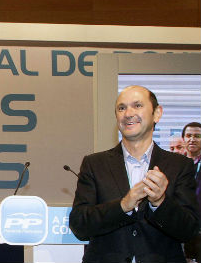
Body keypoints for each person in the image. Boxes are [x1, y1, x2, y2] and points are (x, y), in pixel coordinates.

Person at [69, 85, 199, 263]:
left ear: (157, 113)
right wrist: (123, 205)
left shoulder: (180, 165)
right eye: (121, 108)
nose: (128, 113)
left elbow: (190, 230)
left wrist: (160, 203)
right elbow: (79, 225)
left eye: (137, 105)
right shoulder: (94, 164)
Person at [181, 122, 201, 263]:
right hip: (180, 226)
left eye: (197, 136)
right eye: (188, 136)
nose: (192, 139)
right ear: (184, 139)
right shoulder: (175, 164)